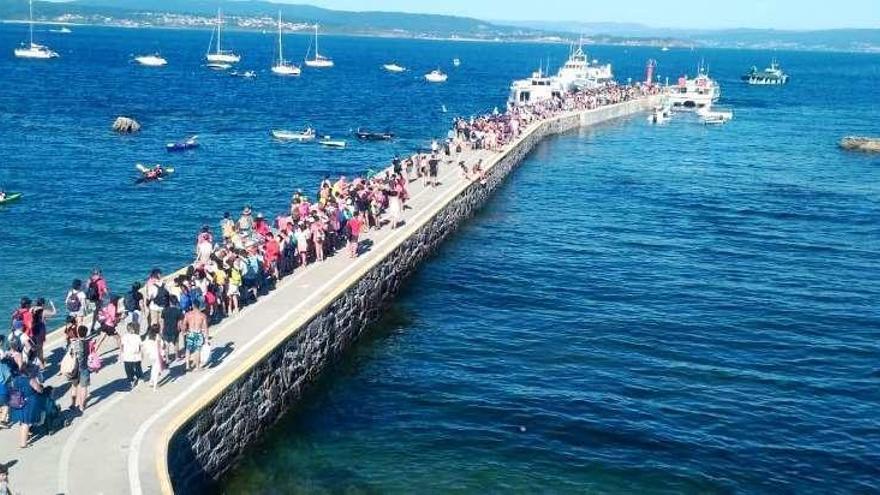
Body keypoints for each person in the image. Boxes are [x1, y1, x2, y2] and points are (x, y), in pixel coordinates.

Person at [9, 364, 44, 449]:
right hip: (29, 402)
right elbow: (39, 390)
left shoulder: (16, 379)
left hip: (19, 401)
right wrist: (41, 387)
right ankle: (23, 443)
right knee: (26, 423)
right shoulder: (30, 380)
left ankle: (23, 438)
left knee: (22, 422)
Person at [68, 325, 90, 413]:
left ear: (78, 333)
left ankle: (73, 404)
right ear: (86, 333)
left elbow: (71, 354)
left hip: (75, 367)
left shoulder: (74, 343)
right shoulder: (89, 342)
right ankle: (81, 406)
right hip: (84, 367)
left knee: (74, 386)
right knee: (83, 387)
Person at [30, 297, 56, 370]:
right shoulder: (43, 311)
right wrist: (52, 305)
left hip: (33, 330)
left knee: (35, 346)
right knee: (40, 348)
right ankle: (41, 364)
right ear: (43, 304)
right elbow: (54, 312)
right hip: (40, 331)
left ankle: (37, 361)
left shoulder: (32, 309)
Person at [181, 303, 208, 372]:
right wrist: (206, 337)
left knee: (188, 350)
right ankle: (197, 366)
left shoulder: (188, 314)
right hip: (198, 333)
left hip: (190, 333)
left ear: (192, 306)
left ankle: (187, 366)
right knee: (197, 350)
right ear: (199, 306)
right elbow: (205, 327)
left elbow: (184, 324)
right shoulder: (202, 315)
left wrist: (184, 332)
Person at [120, 322, 143, 389]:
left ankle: (132, 379)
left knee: (128, 369)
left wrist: (122, 353)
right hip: (135, 355)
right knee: (137, 367)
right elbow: (140, 346)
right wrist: (141, 353)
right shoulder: (137, 336)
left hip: (127, 356)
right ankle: (138, 377)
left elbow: (122, 345)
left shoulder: (124, 336)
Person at [144, 325, 166, 391]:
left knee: (153, 368)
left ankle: (151, 381)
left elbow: (145, 345)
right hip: (157, 355)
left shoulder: (148, 337)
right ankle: (155, 385)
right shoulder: (158, 337)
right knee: (156, 370)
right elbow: (162, 346)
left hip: (150, 355)